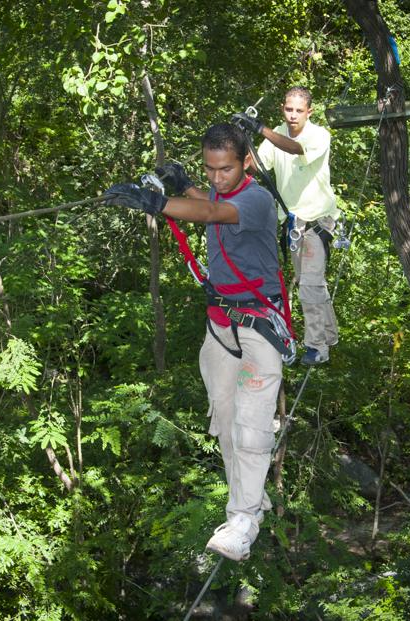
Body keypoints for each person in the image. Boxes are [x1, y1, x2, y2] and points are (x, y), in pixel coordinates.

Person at [103, 123, 286, 562]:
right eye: (209, 170)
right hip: (221, 325)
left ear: (245, 163)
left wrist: (157, 202)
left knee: (252, 426)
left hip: (259, 325)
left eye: (225, 170)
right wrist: (182, 183)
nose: (216, 178)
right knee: (224, 421)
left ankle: (243, 521)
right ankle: (250, 498)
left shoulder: (257, 200)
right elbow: (208, 200)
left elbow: (211, 213)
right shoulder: (221, 191)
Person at [232, 86, 340, 365]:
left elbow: (295, 148)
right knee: (310, 283)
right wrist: (241, 142)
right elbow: (257, 166)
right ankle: (329, 334)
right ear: (283, 108)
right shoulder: (276, 133)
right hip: (294, 223)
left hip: (318, 221)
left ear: (309, 112)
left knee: (310, 286)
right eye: (289, 109)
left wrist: (261, 128)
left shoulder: (319, 136)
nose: (293, 116)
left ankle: (317, 347)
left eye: (299, 111)